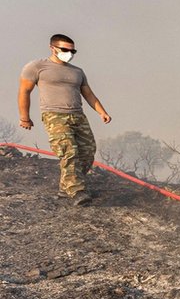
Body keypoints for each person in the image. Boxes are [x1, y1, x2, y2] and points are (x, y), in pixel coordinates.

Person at [18, 34, 113, 206]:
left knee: (87, 151)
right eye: (64, 49)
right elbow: (24, 91)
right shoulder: (37, 67)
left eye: (72, 50)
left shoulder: (77, 71)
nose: (68, 53)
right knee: (68, 151)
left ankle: (65, 186)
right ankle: (77, 190)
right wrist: (25, 117)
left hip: (78, 115)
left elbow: (88, 94)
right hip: (54, 115)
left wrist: (102, 112)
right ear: (52, 48)